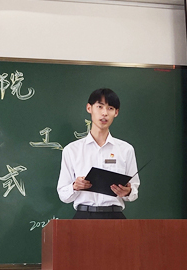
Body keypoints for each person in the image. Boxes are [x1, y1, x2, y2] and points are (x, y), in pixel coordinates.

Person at [57, 88, 139, 219]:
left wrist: (127, 191)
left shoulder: (126, 149)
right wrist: (75, 186)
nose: (104, 113)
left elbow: (134, 190)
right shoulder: (71, 150)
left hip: (115, 216)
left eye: (110, 108)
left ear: (116, 112)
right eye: (100, 107)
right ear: (89, 108)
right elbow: (63, 195)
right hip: (83, 216)